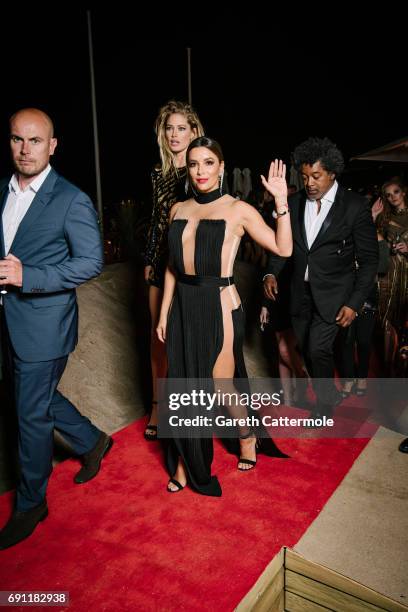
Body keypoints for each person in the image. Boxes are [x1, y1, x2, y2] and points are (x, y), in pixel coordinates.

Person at [0, 108, 111, 550]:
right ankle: (92, 439)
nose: (25, 150)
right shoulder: (2, 191)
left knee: (29, 415)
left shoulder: (71, 199)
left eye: (35, 141)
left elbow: (90, 262)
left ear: (53, 145)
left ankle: (31, 503)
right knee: (31, 396)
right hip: (8, 321)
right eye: (16, 140)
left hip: (44, 326)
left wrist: (29, 277)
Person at [156, 136, 292, 495]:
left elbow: (283, 247)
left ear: (221, 167)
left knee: (219, 386)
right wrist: (164, 311)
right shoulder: (178, 209)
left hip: (218, 302)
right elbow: (172, 266)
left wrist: (281, 204)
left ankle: (247, 436)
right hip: (184, 304)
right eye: (193, 164)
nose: (200, 171)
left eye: (208, 163)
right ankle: (188, 463)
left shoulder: (238, 209)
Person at [264, 137, 378, 418]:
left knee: (317, 348)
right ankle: (330, 394)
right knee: (307, 348)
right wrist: (271, 271)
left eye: (316, 176)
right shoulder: (294, 202)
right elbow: (282, 243)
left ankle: (324, 405)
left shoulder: (354, 206)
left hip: (335, 295)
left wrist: (354, 302)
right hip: (299, 294)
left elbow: (368, 261)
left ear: (332, 173)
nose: (310, 183)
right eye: (304, 177)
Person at [143, 101, 204, 441]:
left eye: (182, 128)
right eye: (169, 128)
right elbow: (154, 223)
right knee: (158, 342)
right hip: (160, 266)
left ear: (195, 132)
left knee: (191, 342)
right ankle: (157, 406)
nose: (175, 134)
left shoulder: (202, 170)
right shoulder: (157, 174)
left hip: (192, 268)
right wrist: (150, 261)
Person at [372, 177, 408, 374]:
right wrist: (372, 215)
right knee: (385, 317)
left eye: (395, 192)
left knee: (404, 319)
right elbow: (370, 241)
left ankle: (402, 363)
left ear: (403, 192)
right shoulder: (383, 218)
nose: (392, 197)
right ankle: (387, 366)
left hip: (407, 274)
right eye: (388, 195)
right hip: (388, 273)